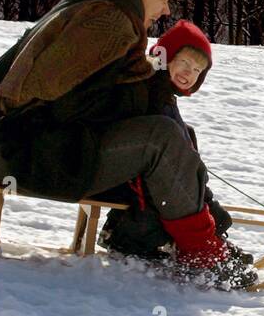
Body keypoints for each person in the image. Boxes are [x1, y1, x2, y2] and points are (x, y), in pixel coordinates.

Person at [0, 0, 254, 289]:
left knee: (171, 131)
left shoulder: (96, 7)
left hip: (32, 148)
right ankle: (202, 253)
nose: (165, 11)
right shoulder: (107, 21)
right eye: (162, 0)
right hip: (32, 155)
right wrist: (136, 92)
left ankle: (163, 233)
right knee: (159, 139)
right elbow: (58, 98)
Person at [97, 20, 237, 259]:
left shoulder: (162, 92)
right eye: (185, 63)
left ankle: (204, 225)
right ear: (167, 57)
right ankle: (189, 247)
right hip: (123, 177)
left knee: (186, 133)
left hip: (138, 174)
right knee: (174, 139)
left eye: (196, 70)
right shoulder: (149, 90)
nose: (189, 74)